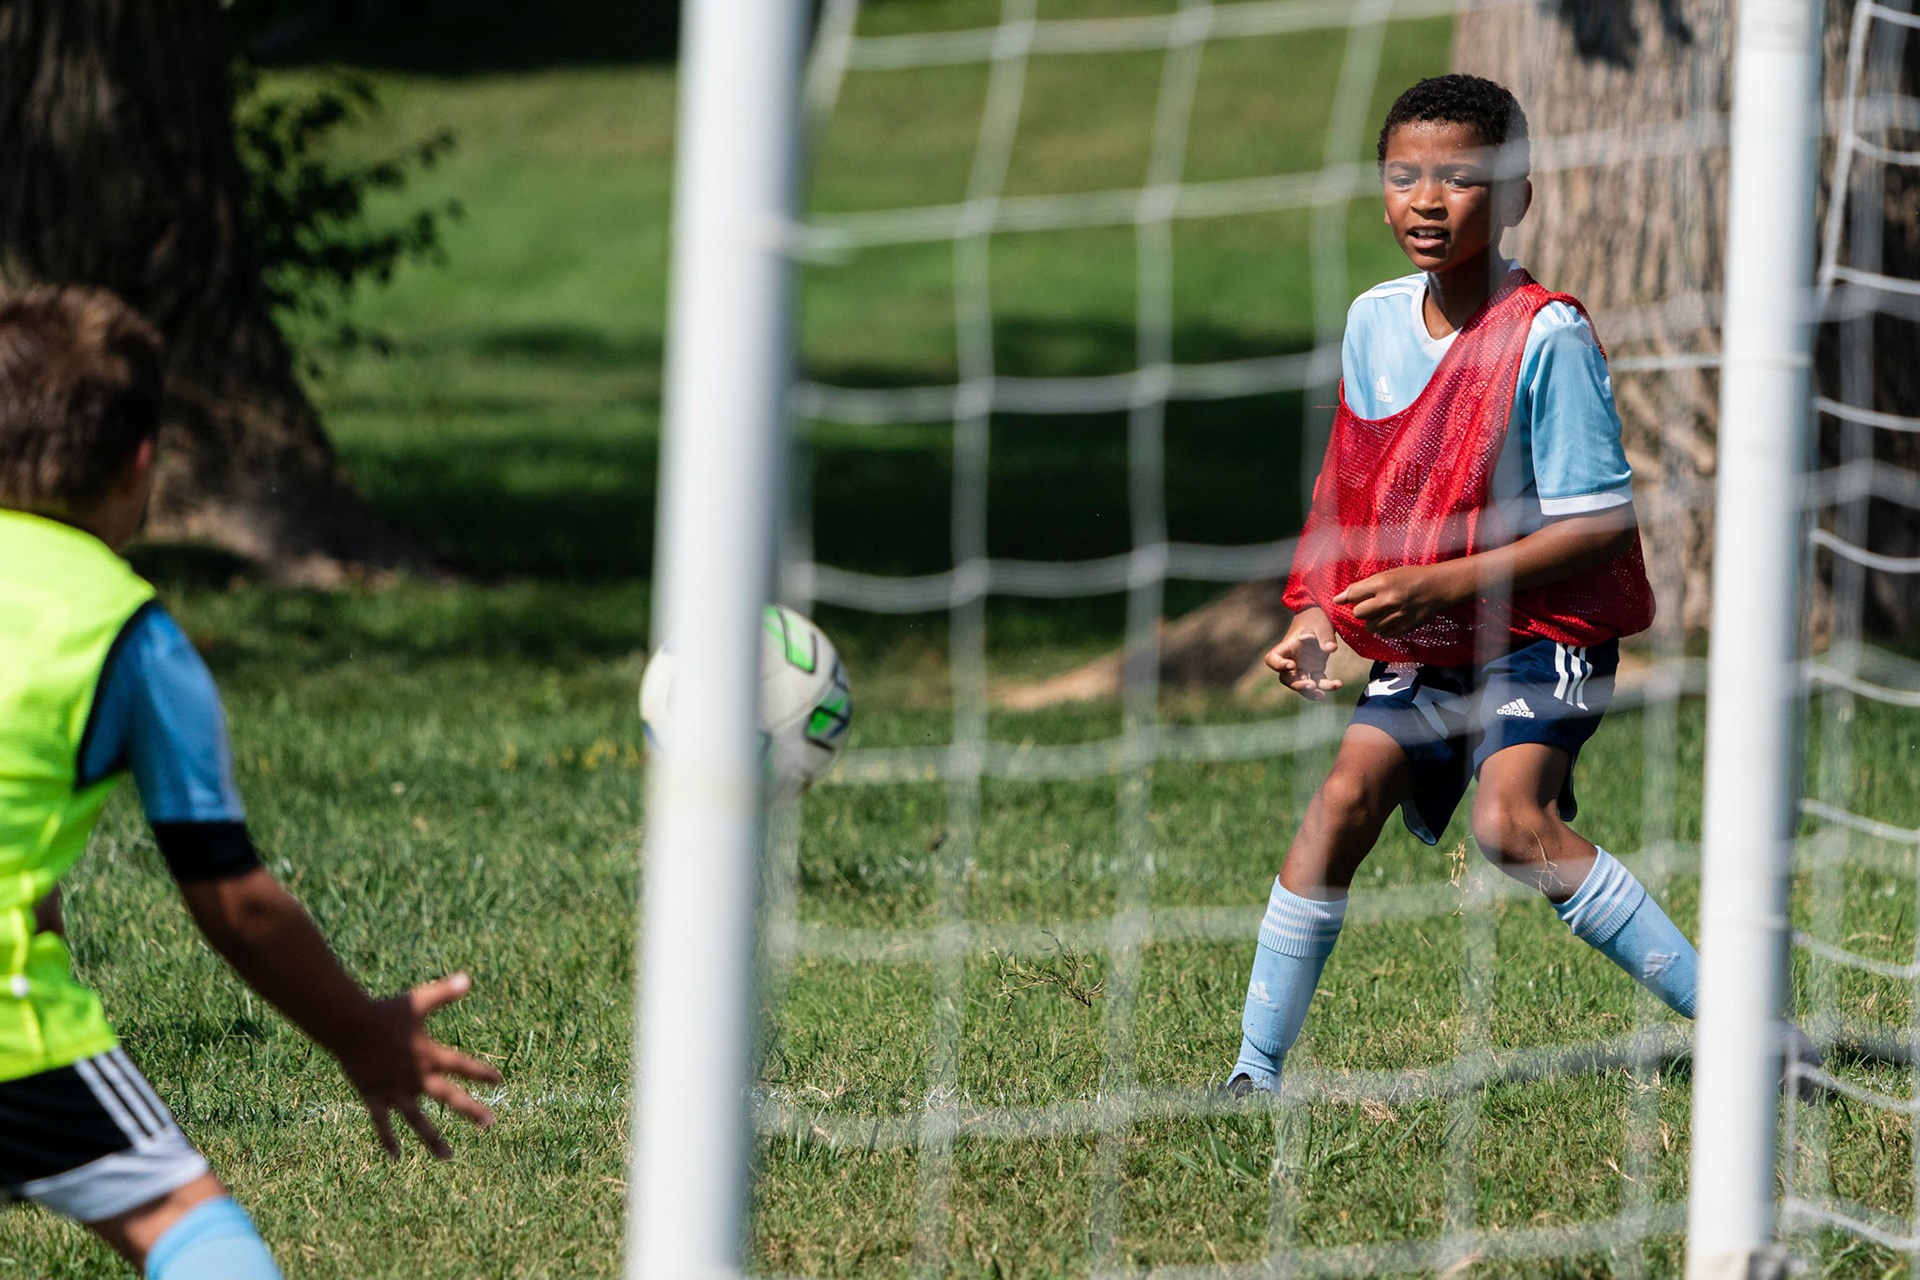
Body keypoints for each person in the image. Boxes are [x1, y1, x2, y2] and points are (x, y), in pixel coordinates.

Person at [0, 286, 500, 1275]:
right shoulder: (129, 636)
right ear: (142, 462)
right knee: (188, 1224)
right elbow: (234, 902)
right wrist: (358, 1027)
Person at [1227, 75, 1697, 1095]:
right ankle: (1252, 1073)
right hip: (1435, 641)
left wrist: (1442, 580)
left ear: (1518, 194)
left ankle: (1743, 1031)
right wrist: (1318, 613)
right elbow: (1350, 489)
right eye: (1404, 176)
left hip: (1545, 630)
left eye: (1461, 178)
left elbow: (1601, 524)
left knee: (1508, 824)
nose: (1428, 200)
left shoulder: (1547, 335)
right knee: (1341, 798)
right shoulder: (1372, 321)